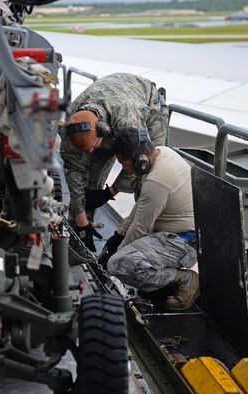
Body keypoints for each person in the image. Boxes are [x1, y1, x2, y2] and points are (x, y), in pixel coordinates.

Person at [59, 72, 169, 253]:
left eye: (92, 147)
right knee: (89, 177)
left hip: (146, 106)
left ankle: (147, 247)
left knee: (149, 175)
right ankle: (79, 243)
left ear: (103, 131)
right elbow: (74, 169)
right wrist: (81, 220)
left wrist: (110, 192)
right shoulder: (70, 126)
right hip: (111, 115)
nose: (89, 153)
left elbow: (137, 161)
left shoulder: (127, 118)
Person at [104, 128, 199, 310]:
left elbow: (140, 229)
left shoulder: (157, 182)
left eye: (124, 164)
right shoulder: (163, 153)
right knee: (123, 256)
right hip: (180, 232)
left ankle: (185, 279)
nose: (125, 169)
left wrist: (115, 256)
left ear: (139, 161)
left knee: (118, 265)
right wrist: (120, 231)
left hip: (186, 242)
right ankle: (163, 281)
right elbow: (142, 204)